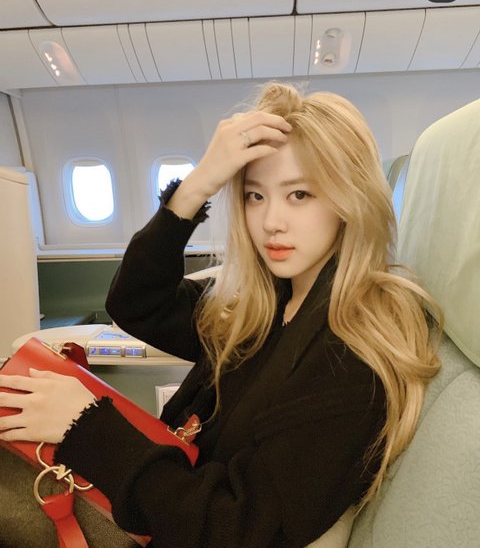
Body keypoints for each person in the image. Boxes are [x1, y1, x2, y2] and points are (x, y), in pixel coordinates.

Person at [0, 83, 442, 548]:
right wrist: (197, 186)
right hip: (164, 499)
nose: (270, 222)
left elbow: (238, 527)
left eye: (299, 195)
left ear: (349, 200)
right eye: (254, 196)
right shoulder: (267, 301)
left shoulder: (351, 349)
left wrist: (86, 426)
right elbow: (137, 303)